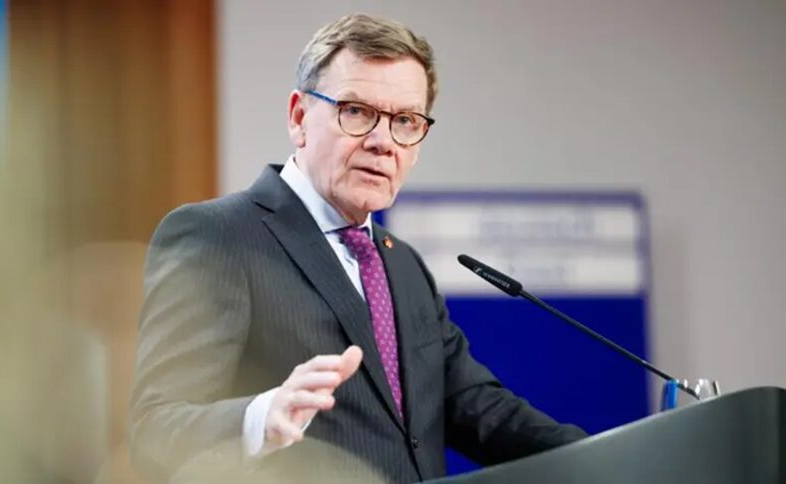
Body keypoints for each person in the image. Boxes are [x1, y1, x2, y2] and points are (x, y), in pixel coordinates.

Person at [129, 13, 586, 483]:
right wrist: (261, 418)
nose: (382, 142)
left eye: (404, 121)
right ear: (299, 118)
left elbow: (473, 405)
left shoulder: (402, 263)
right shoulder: (217, 236)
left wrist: (599, 457)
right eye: (356, 112)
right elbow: (155, 428)